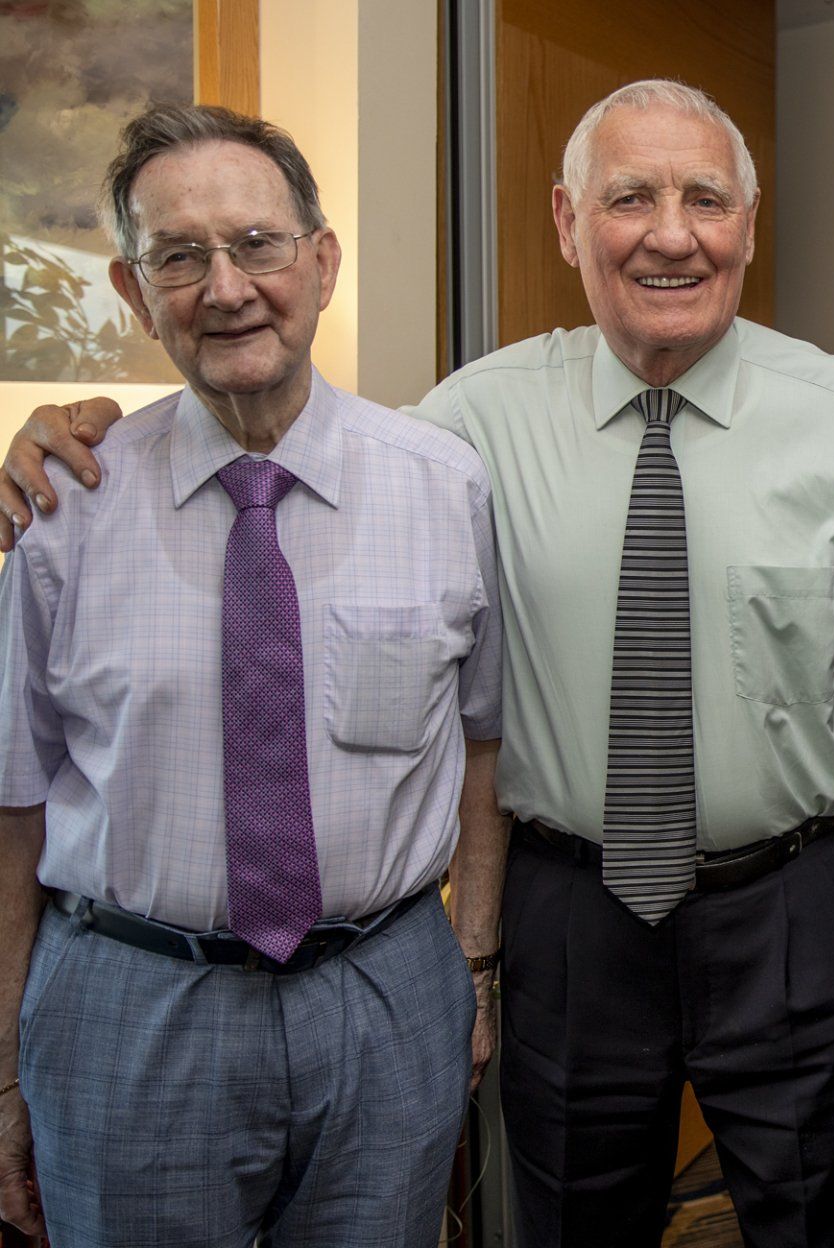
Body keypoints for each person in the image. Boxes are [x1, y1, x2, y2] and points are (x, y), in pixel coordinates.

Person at [0, 79, 834, 1248]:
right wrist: (69, 430)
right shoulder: (463, 432)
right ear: (568, 223)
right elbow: (277, 442)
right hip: (569, 915)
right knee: (558, 1221)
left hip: (793, 905)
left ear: (747, 229)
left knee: (824, 1219)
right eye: (629, 198)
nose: (671, 233)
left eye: (705, 199)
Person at [0, 104, 504, 1247]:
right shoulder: (58, 509)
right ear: (135, 296)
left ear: (320, 262)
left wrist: (473, 965)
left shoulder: (444, 487)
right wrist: (0, 1078)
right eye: (179, 256)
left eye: (256, 244)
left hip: (384, 991)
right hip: (130, 1005)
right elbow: (12, 807)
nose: (225, 288)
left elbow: (481, 747)